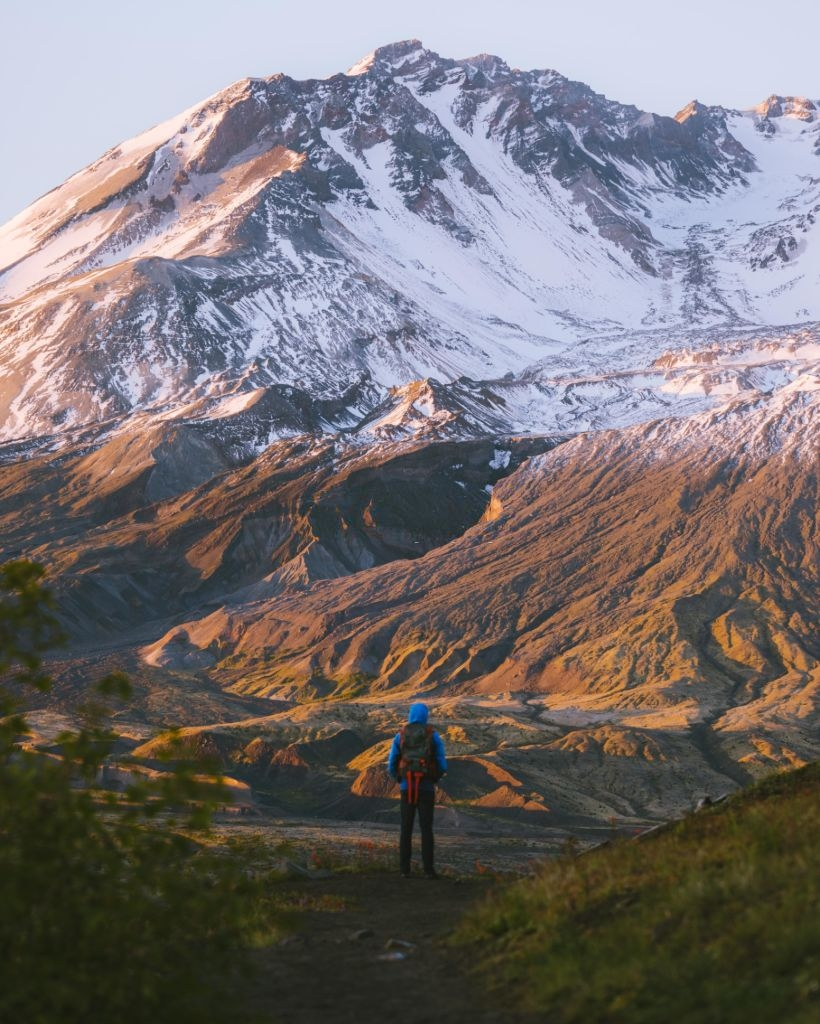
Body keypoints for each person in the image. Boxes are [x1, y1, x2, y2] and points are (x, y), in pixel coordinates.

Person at [387, 702, 447, 879]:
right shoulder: (432, 735)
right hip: (426, 788)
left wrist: (399, 777)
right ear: (425, 715)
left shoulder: (400, 735)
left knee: (406, 828)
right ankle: (428, 870)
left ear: (411, 715)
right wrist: (436, 777)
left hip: (407, 787)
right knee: (426, 829)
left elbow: (392, 762)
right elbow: (442, 762)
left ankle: (404, 870)